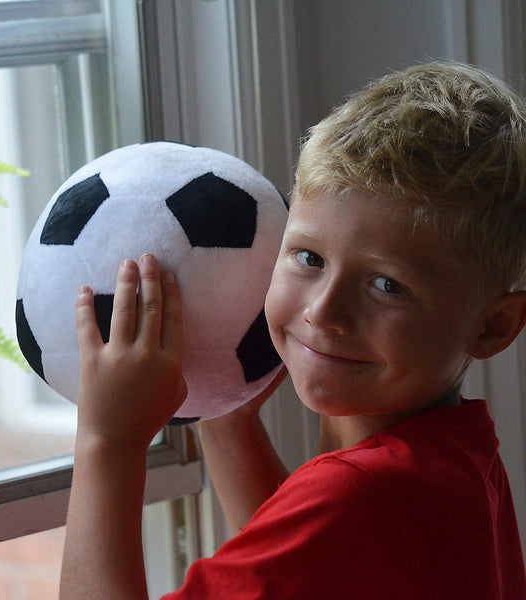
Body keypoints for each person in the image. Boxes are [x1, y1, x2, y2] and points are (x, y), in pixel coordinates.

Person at [59, 62, 526, 599]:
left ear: (494, 326)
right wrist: (228, 425)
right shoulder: (453, 457)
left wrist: (108, 442)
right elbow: (309, 572)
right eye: (308, 257)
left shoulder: (361, 495)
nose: (323, 312)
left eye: (387, 286)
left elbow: (331, 527)